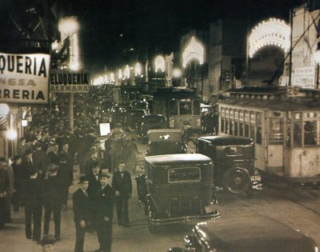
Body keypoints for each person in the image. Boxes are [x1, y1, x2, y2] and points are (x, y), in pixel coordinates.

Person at [42, 163, 64, 241]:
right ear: (56, 171)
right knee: (57, 219)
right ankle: (57, 235)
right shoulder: (60, 180)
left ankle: (45, 233)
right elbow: (62, 193)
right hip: (57, 202)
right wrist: (62, 202)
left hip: (48, 202)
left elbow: (43, 192)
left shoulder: (45, 181)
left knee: (47, 218)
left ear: (49, 172)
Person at [94, 172, 114, 252]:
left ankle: (107, 249)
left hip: (106, 215)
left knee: (107, 232)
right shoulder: (98, 188)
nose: (102, 181)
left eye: (104, 179)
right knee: (100, 231)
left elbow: (111, 205)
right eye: (101, 179)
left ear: (107, 180)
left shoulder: (110, 190)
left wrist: (108, 215)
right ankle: (102, 247)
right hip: (99, 214)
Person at [21, 168, 43, 243]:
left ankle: (28, 234)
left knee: (28, 219)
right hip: (37, 204)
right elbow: (41, 194)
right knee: (37, 220)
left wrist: (23, 202)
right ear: (36, 174)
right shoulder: (39, 183)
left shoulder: (24, 182)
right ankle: (36, 236)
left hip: (28, 204)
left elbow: (23, 194)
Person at [72, 176, 91, 252]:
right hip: (80, 219)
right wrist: (80, 220)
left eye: (87, 184)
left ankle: (80, 250)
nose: (86, 185)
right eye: (84, 184)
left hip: (86, 218)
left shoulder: (87, 192)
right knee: (79, 236)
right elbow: (76, 209)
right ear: (80, 184)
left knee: (82, 236)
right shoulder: (77, 194)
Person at [112, 161, 132, 227]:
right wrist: (115, 191)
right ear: (118, 167)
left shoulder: (127, 174)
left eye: (123, 167)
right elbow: (113, 184)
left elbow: (130, 184)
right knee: (118, 208)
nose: (122, 168)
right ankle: (120, 221)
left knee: (125, 208)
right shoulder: (115, 174)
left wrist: (130, 192)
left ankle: (126, 222)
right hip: (118, 193)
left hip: (125, 193)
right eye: (121, 166)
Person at [0, 160, 10, 229]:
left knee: (2, 208)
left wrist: (5, 191)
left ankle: (1, 223)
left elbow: (7, 182)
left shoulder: (5, 171)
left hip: (3, 193)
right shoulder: (4, 171)